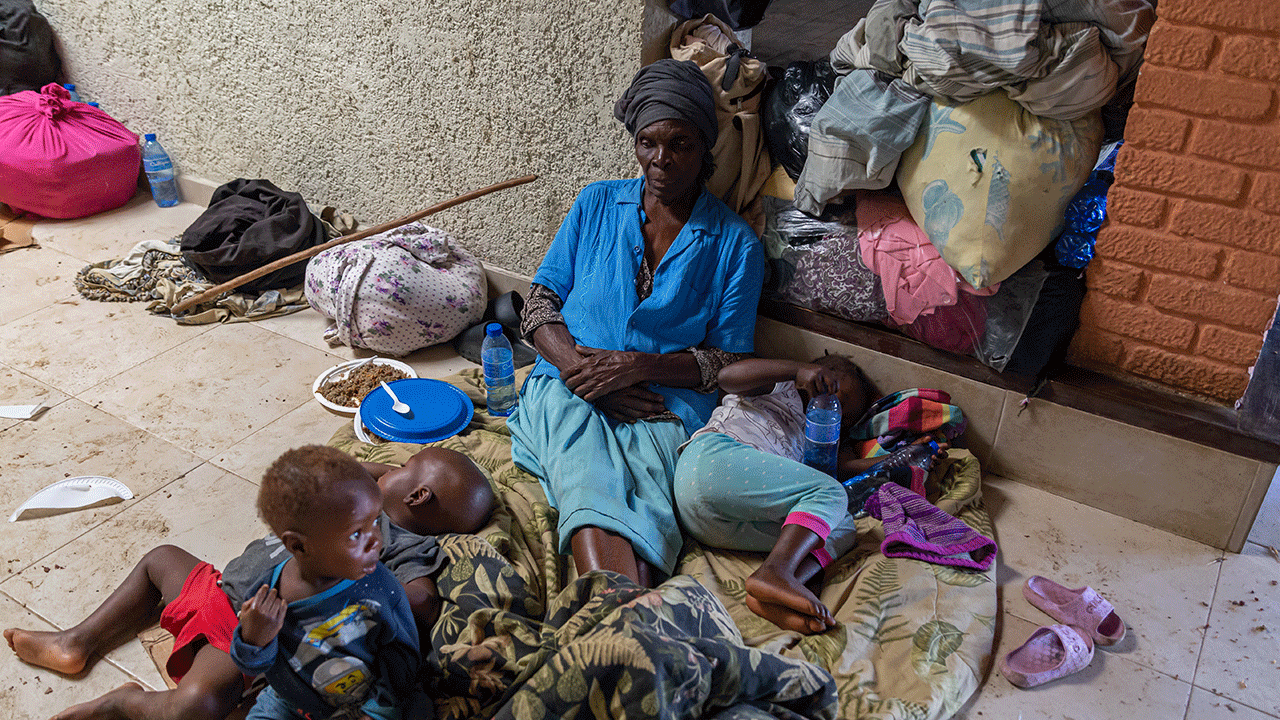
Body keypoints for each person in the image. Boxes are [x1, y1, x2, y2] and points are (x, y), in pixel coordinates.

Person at [508, 58, 766, 586]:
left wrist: (636, 366)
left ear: (705, 148)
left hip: (662, 401)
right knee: (582, 465)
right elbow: (539, 305)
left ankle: (623, 609)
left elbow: (729, 361)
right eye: (648, 142)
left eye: (680, 144)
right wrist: (591, 379)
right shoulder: (596, 202)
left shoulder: (735, 243)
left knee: (648, 488)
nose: (662, 159)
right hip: (568, 380)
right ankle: (616, 606)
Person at [3, 446, 494, 720]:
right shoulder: (344, 496)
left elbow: (418, 598)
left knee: (194, 707)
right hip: (224, 588)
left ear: (420, 494)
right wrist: (383, 479)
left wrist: (366, 597)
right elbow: (341, 467)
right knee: (161, 559)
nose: (388, 466)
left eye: (403, 466)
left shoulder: (391, 548)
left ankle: (122, 702)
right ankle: (76, 642)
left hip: (257, 619)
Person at [672, 355, 948, 635]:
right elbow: (727, 378)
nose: (835, 410)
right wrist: (797, 369)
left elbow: (840, 468)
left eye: (845, 416)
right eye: (836, 391)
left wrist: (904, 457)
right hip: (712, 461)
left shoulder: (816, 441)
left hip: (715, 524)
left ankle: (775, 588)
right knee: (833, 493)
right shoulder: (783, 388)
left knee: (841, 527)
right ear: (822, 372)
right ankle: (775, 572)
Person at [229, 445, 420, 720]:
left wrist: (377, 712)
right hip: (290, 704)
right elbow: (252, 665)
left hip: (370, 701)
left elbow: (403, 660)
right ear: (298, 545)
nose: (376, 540)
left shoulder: (378, 585)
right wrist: (254, 640)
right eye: (356, 534)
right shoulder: (269, 594)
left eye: (376, 521)